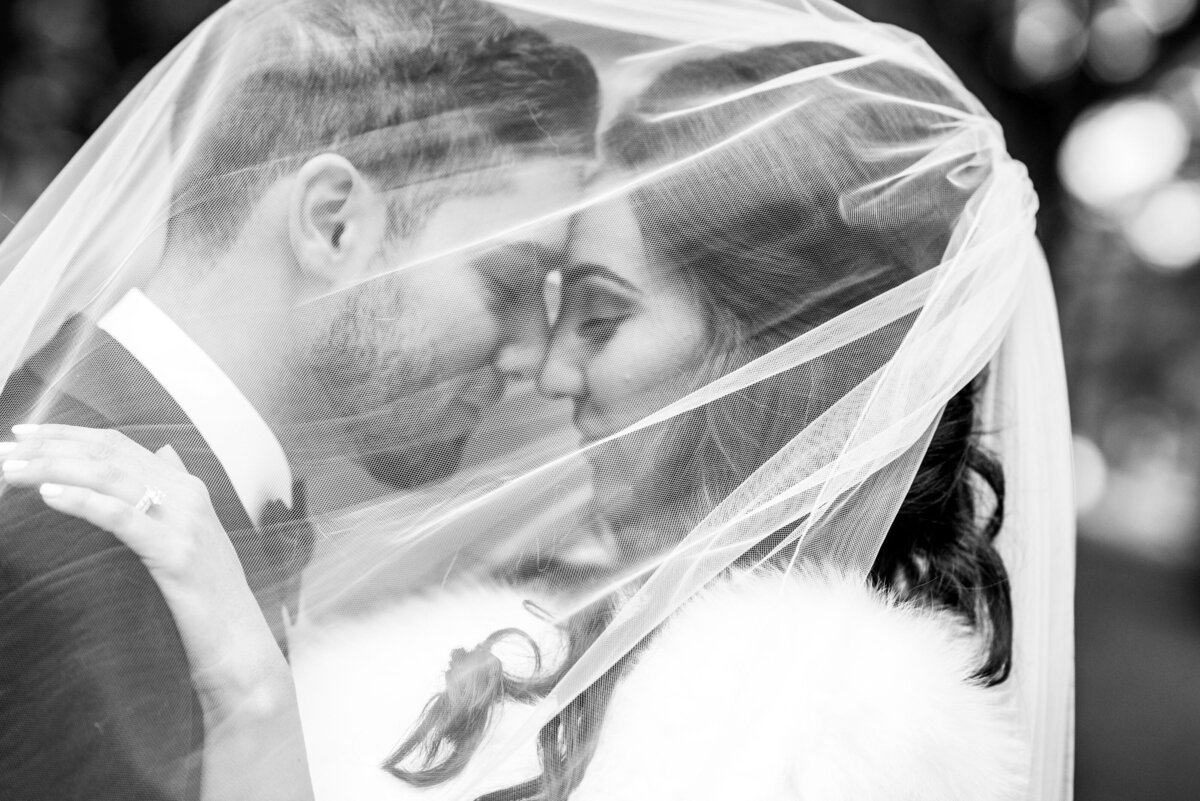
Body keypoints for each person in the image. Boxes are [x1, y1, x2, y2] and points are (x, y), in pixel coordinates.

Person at [0, 1, 1075, 800]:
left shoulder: (827, 732)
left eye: (593, 316)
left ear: (770, 363)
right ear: (331, 222)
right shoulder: (55, 517)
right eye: (515, 287)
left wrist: (254, 698)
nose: (546, 367)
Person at [0, 0, 599, 798]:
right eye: (508, 280)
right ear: (333, 224)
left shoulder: (185, 509)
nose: (535, 353)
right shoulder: (61, 532)